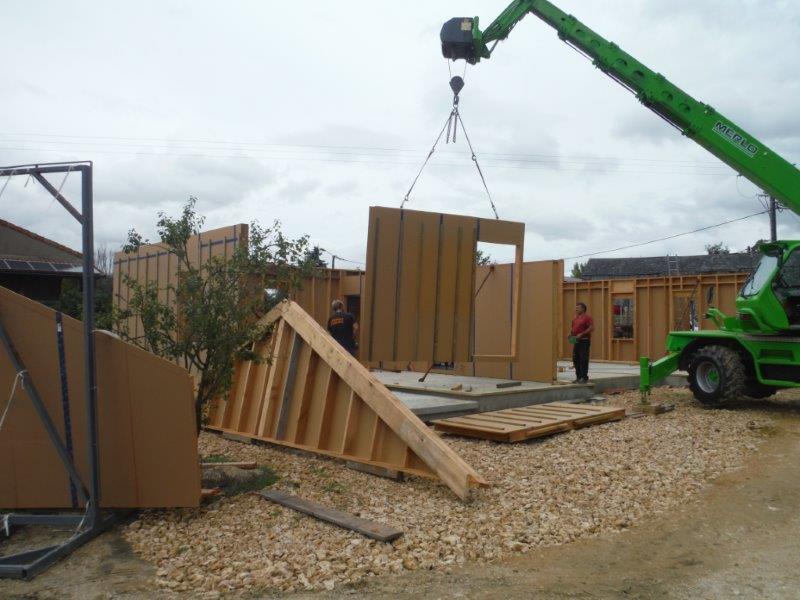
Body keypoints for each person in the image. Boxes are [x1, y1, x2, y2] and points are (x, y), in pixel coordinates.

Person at [570, 302, 594, 383]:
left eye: (578, 307)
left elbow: (591, 328)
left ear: (583, 309)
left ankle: (584, 377)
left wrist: (582, 333)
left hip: (584, 341)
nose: (576, 309)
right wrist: (570, 334)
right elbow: (573, 329)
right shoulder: (575, 319)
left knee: (583, 359)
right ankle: (578, 377)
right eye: (576, 307)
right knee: (575, 359)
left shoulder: (587, 318)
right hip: (576, 341)